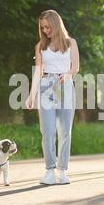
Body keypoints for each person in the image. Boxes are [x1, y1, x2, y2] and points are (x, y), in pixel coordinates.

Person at [25, 10, 79, 185]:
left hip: (65, 86)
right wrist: (31, 95)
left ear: (56, 24)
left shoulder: (71, 43)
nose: (45, 30)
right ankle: (49, 170)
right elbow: (38, 72)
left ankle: (62, 171)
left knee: (65, 131)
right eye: (43, 28)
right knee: (47, 131)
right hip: (46, 86)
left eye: (48, 26)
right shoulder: (40, 46)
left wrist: (68, 74)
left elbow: (76, 67)